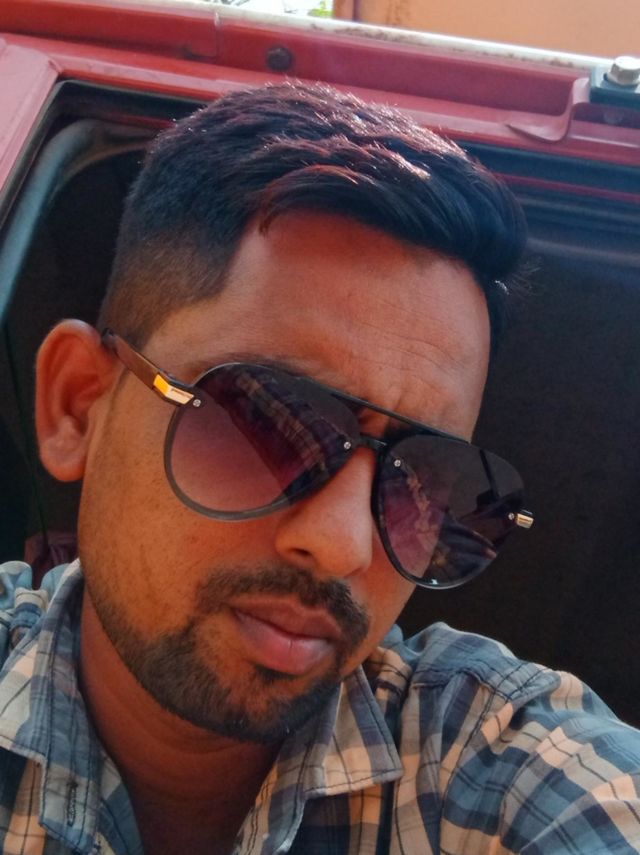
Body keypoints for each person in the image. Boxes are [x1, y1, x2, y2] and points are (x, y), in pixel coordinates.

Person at [0, 81, 638, 855]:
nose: (343, 545)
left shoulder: (496, 775)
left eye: (424, 478)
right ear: (78, 405)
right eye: (264, 421)